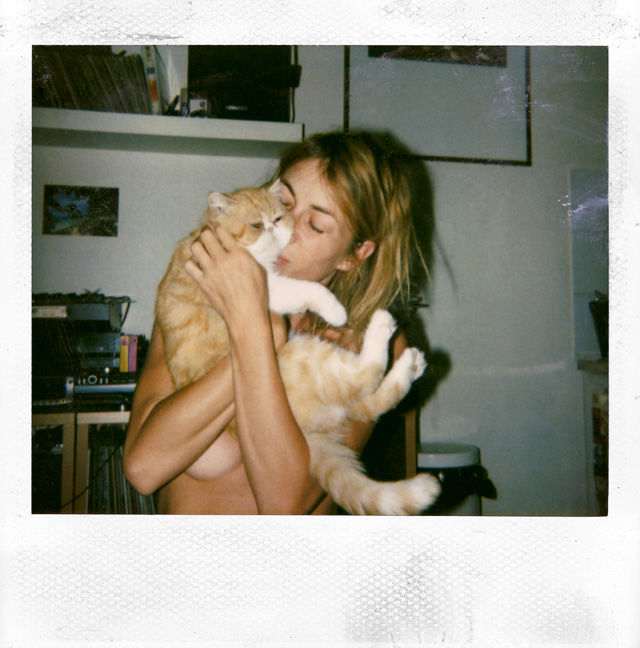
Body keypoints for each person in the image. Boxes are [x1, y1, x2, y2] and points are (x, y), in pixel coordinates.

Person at [123, 131, 423, 514]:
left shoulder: (369, 346)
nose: (286, 230)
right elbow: (143, 468)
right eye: (284, 203)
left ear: (354, 254)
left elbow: (284, 505)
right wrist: (258, 328)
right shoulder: (196, 299)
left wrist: (252, 328)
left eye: (316, 225)